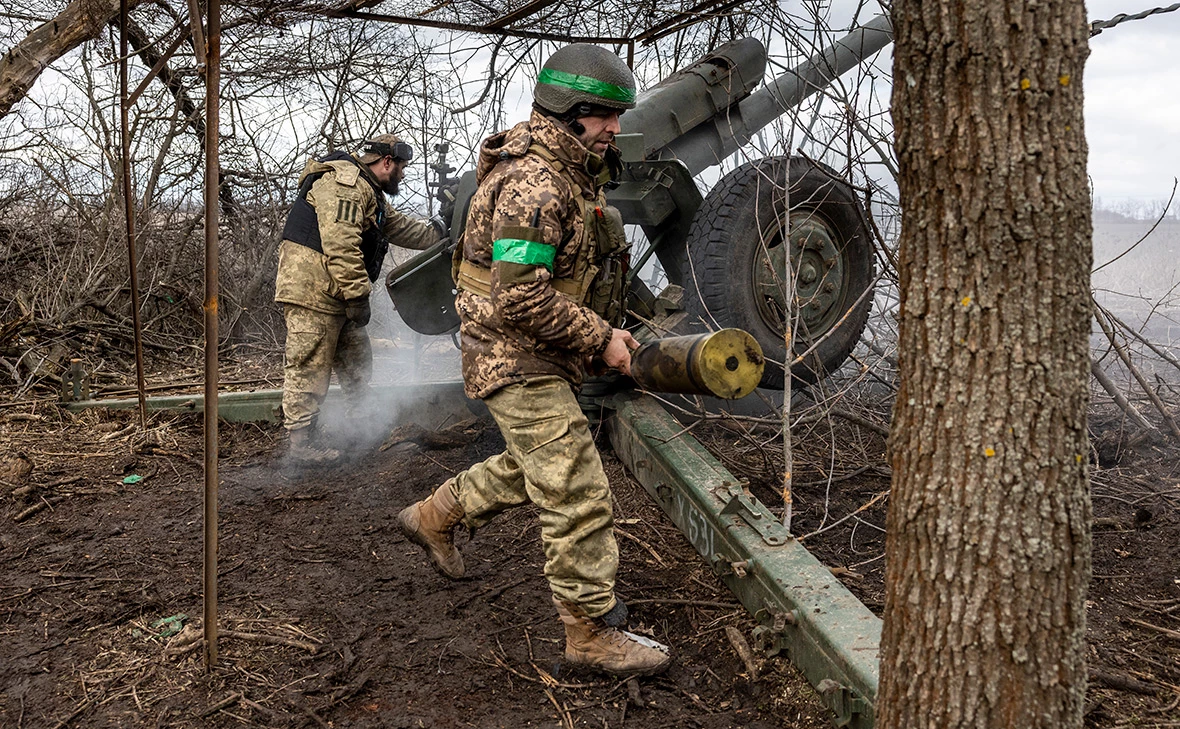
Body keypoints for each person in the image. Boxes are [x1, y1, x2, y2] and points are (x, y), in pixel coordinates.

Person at [397, 45, 672, 677]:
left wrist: (597, 338)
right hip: (513, 356)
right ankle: (590, 633)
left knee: (540, 465)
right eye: (605, 116)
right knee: (575, 487)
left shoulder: (564, 172)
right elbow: (520, 297)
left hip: (535, 352)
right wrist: (598, 338)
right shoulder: (535, 184)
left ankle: (434, 515)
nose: (615, 129)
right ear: (570, 112)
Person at [275, 134, 439, 462]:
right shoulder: (346, 185)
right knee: (308, 366)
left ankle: (362, 427)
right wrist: (358, 296)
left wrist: (441, 233)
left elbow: (401, 228)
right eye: (402, 168)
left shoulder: (370, 193)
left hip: (334, 292)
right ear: (387, 163)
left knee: (357, 362)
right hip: (313, 292)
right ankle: (300, 448)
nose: (403, 175)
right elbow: (341, 245)